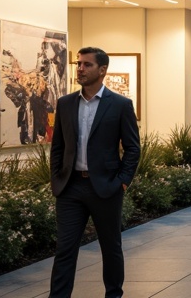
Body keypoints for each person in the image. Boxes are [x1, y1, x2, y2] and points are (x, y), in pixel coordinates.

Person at [49, 47, 140, 298]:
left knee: (111, 248)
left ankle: (113, 295)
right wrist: (57, 178)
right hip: (70, 188)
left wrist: (122, 182)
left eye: (87, 64)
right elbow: (58, 146)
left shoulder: (120, 105)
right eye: (79, 64)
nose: (80, 68)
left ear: (102, 70)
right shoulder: (66, 103)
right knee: (65, 249)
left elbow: (133, 148)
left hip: (106, 188)